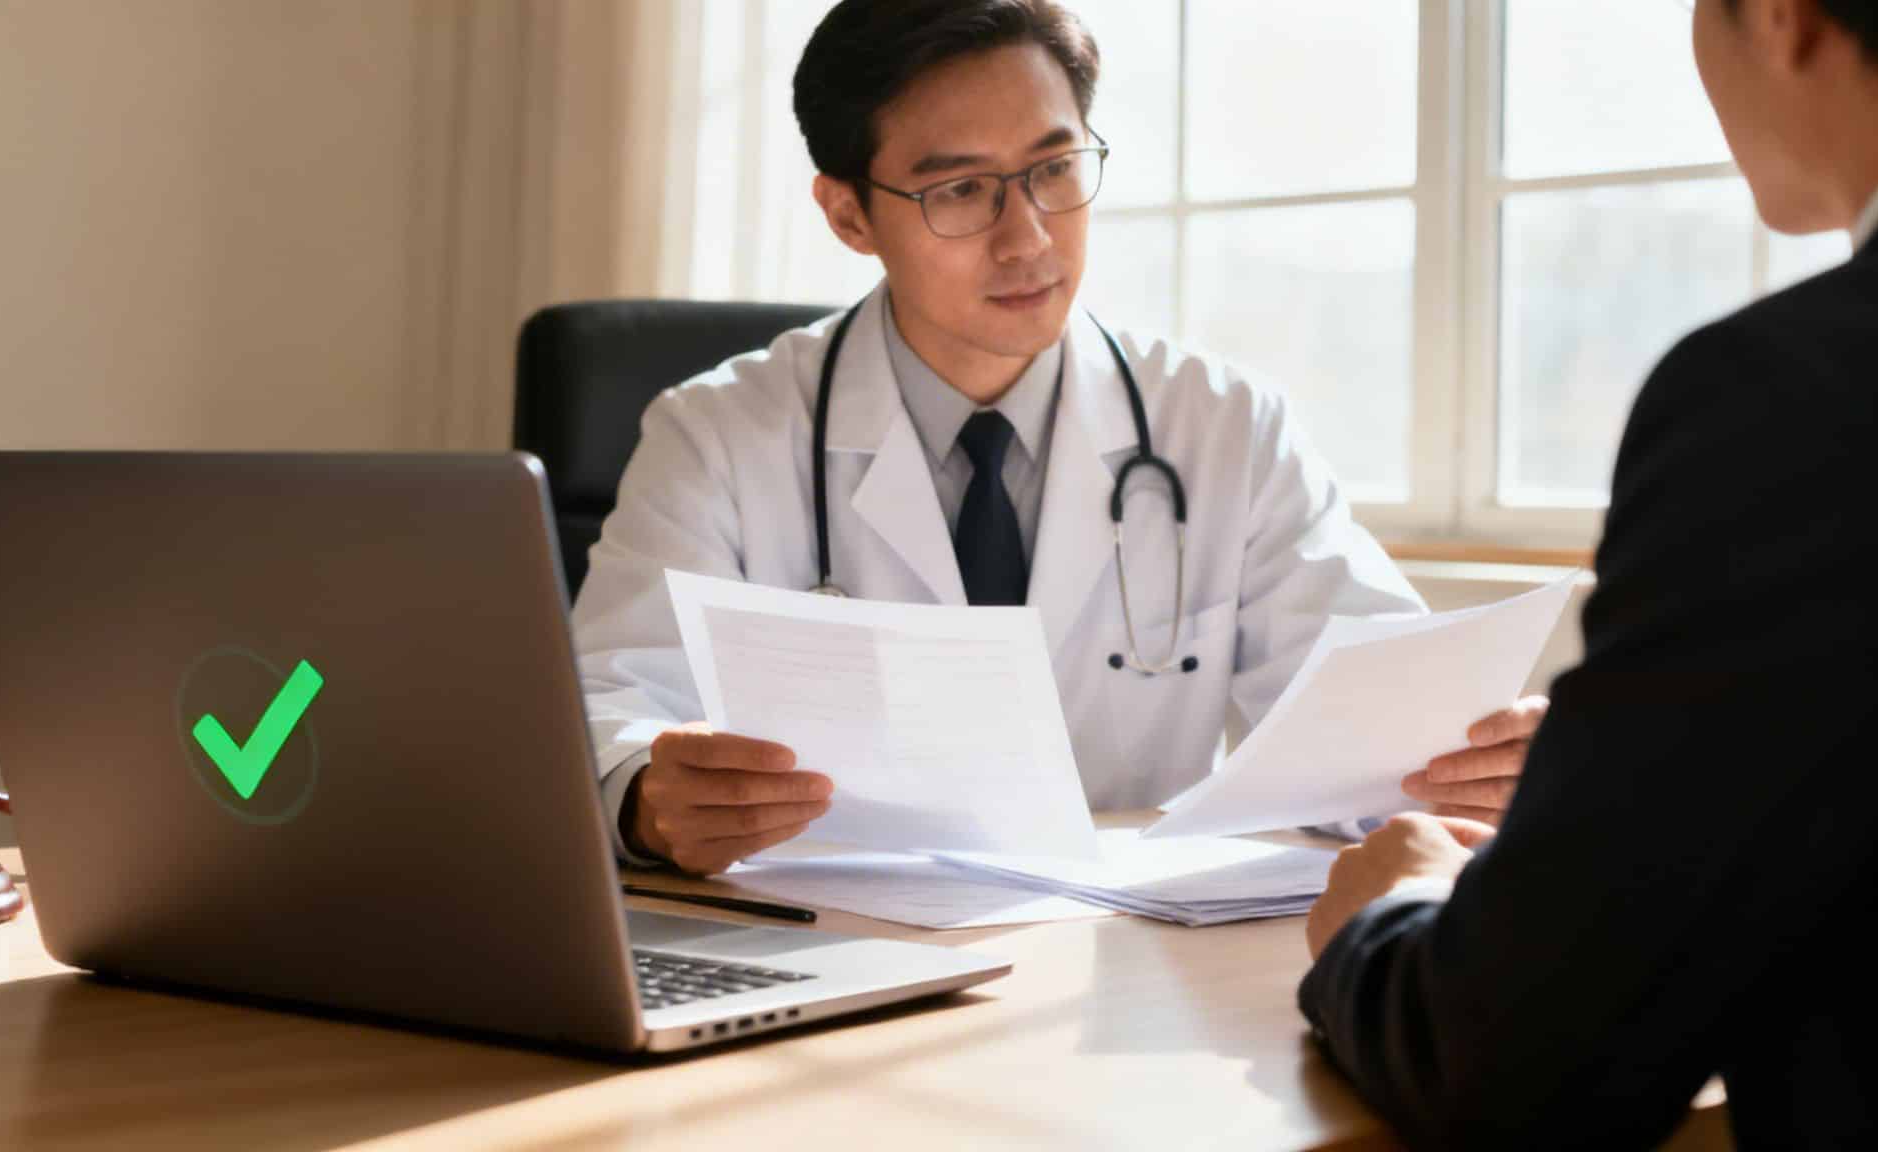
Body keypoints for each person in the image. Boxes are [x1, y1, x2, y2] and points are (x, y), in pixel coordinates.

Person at [572, 0, 1541, 877]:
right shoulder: (716, 435)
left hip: (1124, 963)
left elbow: (1379, 734)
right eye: (959, 192)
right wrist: (650, 802)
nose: (1027, 238)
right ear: (847, 215)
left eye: (1053, 169)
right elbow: (605, 712)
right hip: (831, 948)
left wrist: (1474, 758)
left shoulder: (1223, 425)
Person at [1299, 0, 1878, 1145]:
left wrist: (1397, 906)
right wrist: (1622, 771)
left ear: (1774, 16)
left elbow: (1517, 1064)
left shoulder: (1789, 400)